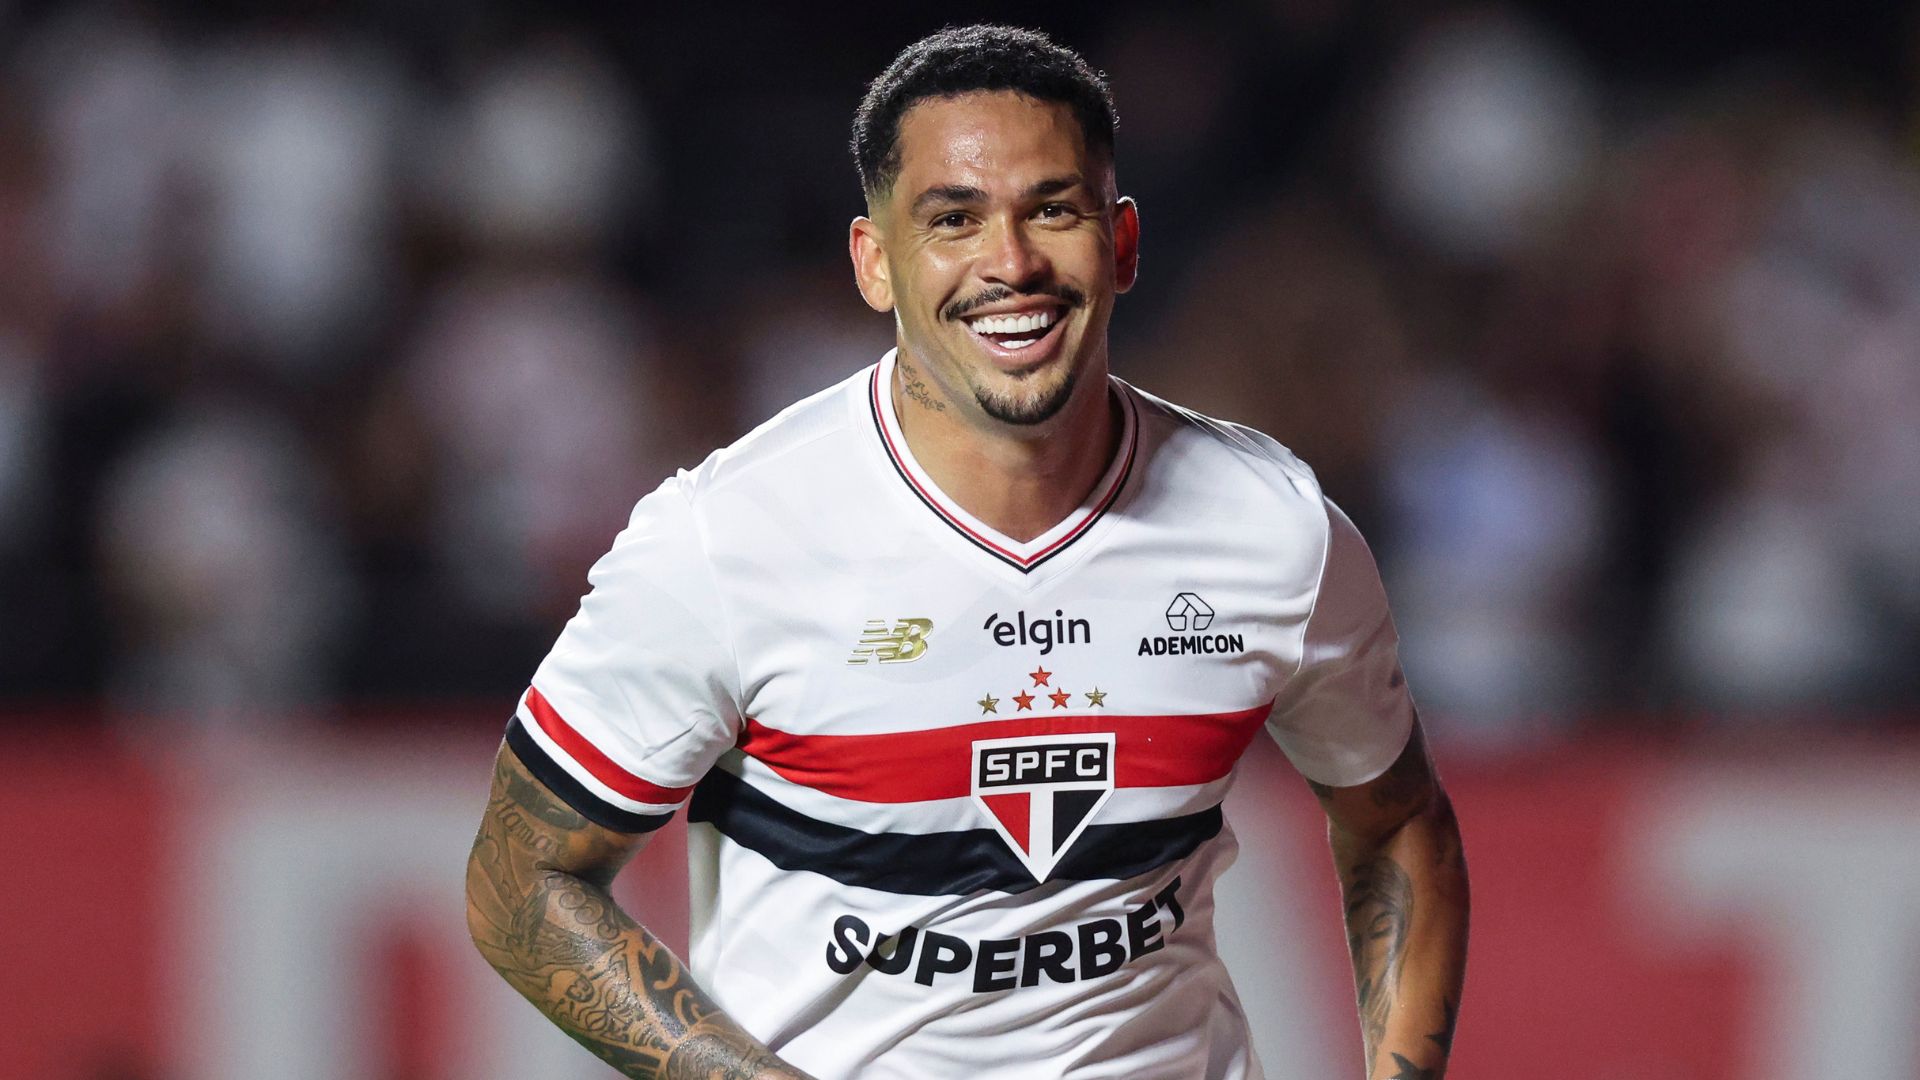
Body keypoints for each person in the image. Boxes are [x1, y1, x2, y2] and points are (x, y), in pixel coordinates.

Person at [464, 24, 1468, 1080]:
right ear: (875, 264)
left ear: (1123, 242)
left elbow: (1400, 824)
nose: (1012, 263)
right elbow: (517, 883)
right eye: (954, 219)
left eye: (1054, 210)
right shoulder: (728, 539)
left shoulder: (1273, 528)